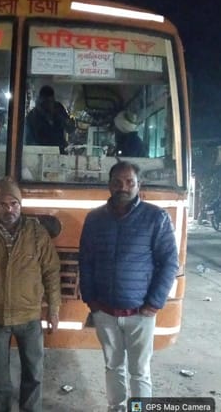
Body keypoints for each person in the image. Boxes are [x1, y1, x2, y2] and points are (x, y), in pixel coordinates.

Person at [78, 161, 179, 411]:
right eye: (117, 182)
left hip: (141, 313)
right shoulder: (94, 219)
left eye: (129, 182)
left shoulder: (156, 218)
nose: (123, 187)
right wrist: (91, 301)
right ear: (109, 185)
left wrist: (154, 303)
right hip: (105, 312)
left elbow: (169, 263)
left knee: (140, 371)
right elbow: (86, 261)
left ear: (138, 185)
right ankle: (116, 407)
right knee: (112, 366)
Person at [0, 176, 61, 412]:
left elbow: (51, 272)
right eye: (3, 205)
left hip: (29, 319)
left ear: (20, 204)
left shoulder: (37, 234)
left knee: (34, 374)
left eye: (14, 204)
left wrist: (54, 309)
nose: (9, 210)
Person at [25, 85, 75, 154]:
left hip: (60, 150)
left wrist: (69, 123)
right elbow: (29, 141)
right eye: (47, 102)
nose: (50, 105)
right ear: (41, 101)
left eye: (52, 101)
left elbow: (70, 129)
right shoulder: (32, 116)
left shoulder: (58, 108)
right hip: (41, 152)